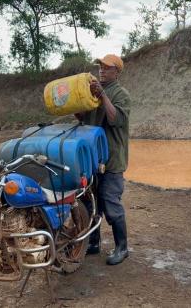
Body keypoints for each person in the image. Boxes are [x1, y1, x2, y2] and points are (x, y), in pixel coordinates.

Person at [75, 54, 130, 265]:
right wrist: (77, 106)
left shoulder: (120, 94)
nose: (102, 70)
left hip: (112, 160)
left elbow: (115, 119)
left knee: (110, 203)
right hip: (92, 158)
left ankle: (122, 248)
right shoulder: (94, 93)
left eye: (107, 68)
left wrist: (103, 96)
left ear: (117, 72)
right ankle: (94, 243)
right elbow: (86, 120)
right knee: (91, 202)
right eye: (100, 67)